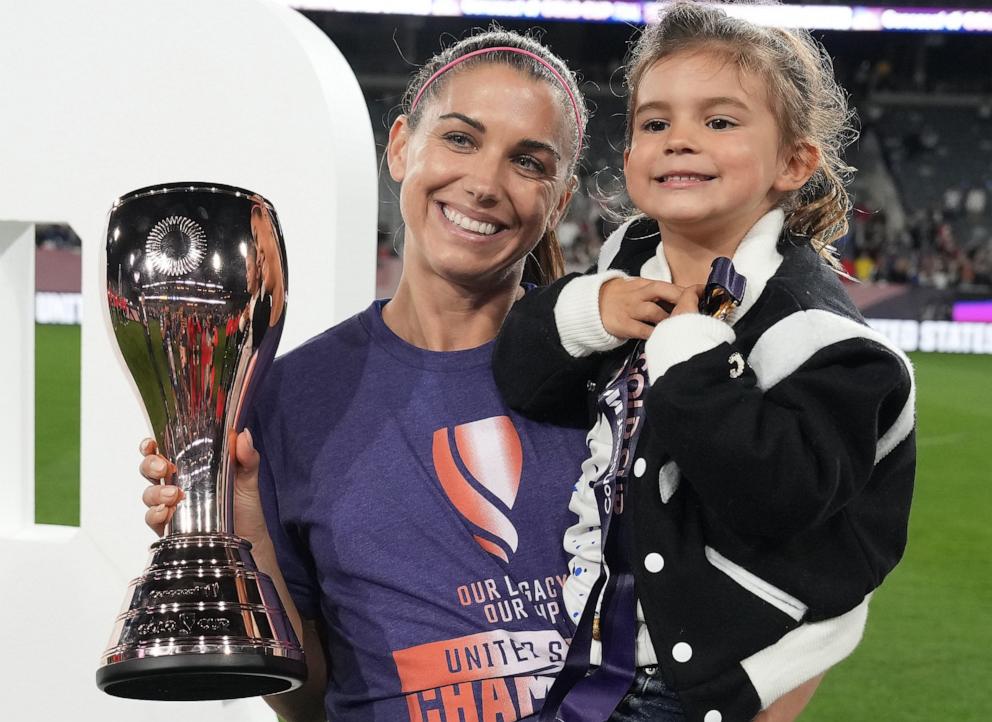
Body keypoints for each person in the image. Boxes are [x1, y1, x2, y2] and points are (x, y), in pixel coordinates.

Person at [139, 28, 593, 722]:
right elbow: (308, 700)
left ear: (559, 202)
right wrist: (243, 521)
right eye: (461, 139)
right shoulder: (284, 398)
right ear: (402, 146)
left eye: (528, 162)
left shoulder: (610, 376)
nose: (485, 183)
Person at [492, 3, 917, 721]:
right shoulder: (626, 259)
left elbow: (776, 496)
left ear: (794, 163)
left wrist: (688, 353)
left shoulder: (830, 342)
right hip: (589, 644)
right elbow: (523, 381)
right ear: (627, 158)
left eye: (719, 122)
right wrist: (585, 311)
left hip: (701, 675)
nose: (680, 140)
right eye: (655, 123)